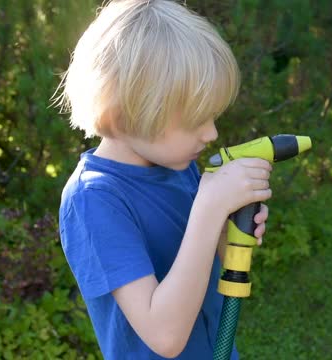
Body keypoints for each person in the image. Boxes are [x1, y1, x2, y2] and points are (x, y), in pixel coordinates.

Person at [55, 1, 272, 358]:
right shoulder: (93, 200)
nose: (211, 134)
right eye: (195, 120)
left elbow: (194, 264)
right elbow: (165, 336)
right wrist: (209, 207)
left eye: (212, 116)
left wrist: (223, 231)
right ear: (125, 115)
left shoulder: (176, 166)